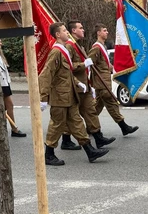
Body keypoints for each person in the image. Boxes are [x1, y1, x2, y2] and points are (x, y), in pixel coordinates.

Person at [39, 22, 109, 165]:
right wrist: (43, 97)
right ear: (58, 34)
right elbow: (46, 74)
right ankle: (48, 154)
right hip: (59, 97)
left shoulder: (63, 50)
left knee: (77, 123)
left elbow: (66, 74)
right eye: (65, 31)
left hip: (69, 95)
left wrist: (78, 83)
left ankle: (90, 150)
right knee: (57, 125)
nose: (67, 33)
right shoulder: (56, 52)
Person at [62, 20, 115, 149]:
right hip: (75, 86)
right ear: (73, 31)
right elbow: (66, 66)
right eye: (81, 28)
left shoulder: (78, 45)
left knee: (90, 111)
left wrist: (89, 83)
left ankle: (98, 137)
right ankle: (66, 140)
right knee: (71, 116)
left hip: (84, 86)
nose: (83, 30)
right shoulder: (69, 46)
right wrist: (83, 64)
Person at [88, 23, 139, 136]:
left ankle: (89, 127)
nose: (107, 32)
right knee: (112, 103)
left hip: (105, 81)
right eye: (104, 30)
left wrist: (115, 69)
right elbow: (90, 63)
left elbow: (104, 64)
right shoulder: (96, 47)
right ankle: (124, 127)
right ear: (98, 33)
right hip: (101, 82)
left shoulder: (103, 46)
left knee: (97, 107)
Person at [0, 39, 27, 137]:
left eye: (0, 42)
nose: (0, 44)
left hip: (5, 83)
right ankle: (14, 129)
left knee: (4, 107)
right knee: (8, 106)